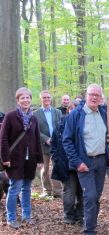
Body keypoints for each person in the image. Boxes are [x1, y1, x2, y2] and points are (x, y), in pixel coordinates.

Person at [63, 84, 109, 235]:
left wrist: (107, 138)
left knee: (96, 196)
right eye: (91, 94)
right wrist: (77, 162)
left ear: (101, 98)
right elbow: (67, 140)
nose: (94, 97)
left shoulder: (103, 113)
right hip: (85, 162)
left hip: (101, 161)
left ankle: (91, 224)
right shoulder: (76, 115)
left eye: (97, 95)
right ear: (86, 95)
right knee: (90, 196)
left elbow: (105, 134)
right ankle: (89, 231)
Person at [0, 87, 43, 229]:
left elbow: (37, 140)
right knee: (14, 188)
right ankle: (11, 218)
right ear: (18, 101)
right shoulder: (10, 116)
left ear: (31, 99)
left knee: (27, 188)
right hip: (14, 160)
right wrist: (5, 158)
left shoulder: (34, 118)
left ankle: (27, 215)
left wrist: (40, 159)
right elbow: (3, 138)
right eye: (22, 98)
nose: (26, 100)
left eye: (28, 98)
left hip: (29, 160)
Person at [51, 101, 83, 225]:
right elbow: (54, 142)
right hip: (66, 164)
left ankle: (81, 215)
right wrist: (56, 158)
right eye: (73, 110)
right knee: (69, 191)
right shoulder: (61, 125)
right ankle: (68, 215)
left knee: (82, 191)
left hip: (81, 164)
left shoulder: (83, 124)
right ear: (69, 111)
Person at [34, 90, 62, 197]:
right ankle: (47, 190)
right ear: (40, 99)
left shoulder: (57, 112)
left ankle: (58, 191)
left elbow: (61, 126)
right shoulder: (35, 114)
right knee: (44, 169)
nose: (46, 99)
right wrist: (45, 138)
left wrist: (56, 138)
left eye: (48, 97)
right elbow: (35, 130)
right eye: (44, 97)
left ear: (51, 99)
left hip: (56, 145)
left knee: (57, 167)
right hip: (43, 145)